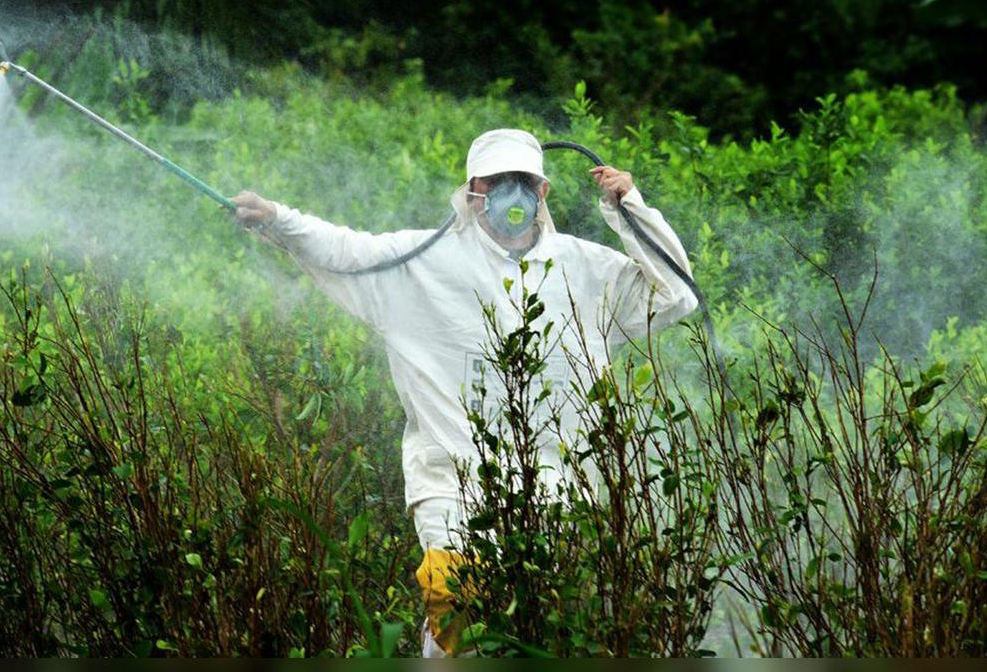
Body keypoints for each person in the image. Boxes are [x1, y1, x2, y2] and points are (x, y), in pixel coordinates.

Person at [231, 128, 698, 657]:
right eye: (496, 182)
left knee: (544, 634)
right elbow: (344, 251)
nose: (510, 193)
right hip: (449, 485)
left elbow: (677, 294)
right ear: (473, 191)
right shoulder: (422, 261)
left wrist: (628, 209)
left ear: (542, 192)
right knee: (458, 613)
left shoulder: (586, 268)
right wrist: (277, 219)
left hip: (563, 491)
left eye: (522, 181)